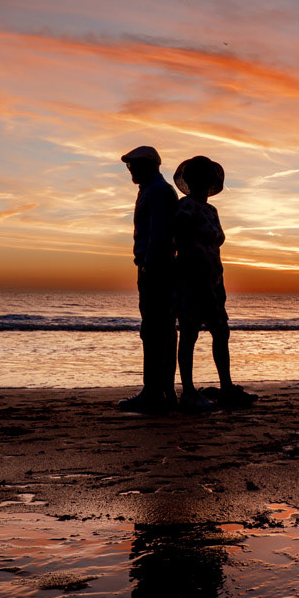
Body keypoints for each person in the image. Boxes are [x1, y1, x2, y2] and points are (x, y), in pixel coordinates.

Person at [173, 155, 256, 410]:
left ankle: (227, 387)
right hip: (192, 279)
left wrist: (216, 284)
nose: (205, 183)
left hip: (214, 278)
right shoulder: (185, 207)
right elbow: (181, 243)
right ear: (192, 181)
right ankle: (187, 391)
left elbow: (214, 244)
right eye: (200, 178)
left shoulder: (211, 210)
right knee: (189, 333)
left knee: (221, 332)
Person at [119, 145, 178, 412]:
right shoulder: (151, 190)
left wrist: (149, 266)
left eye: (134, 166)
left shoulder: (158, 191)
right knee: (157, 329)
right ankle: (160, 390)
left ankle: (155, 391)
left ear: (149, 165)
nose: (130, 170)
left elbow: (160, 234)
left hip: (156, 268)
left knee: (156, 329)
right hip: (152, 266)